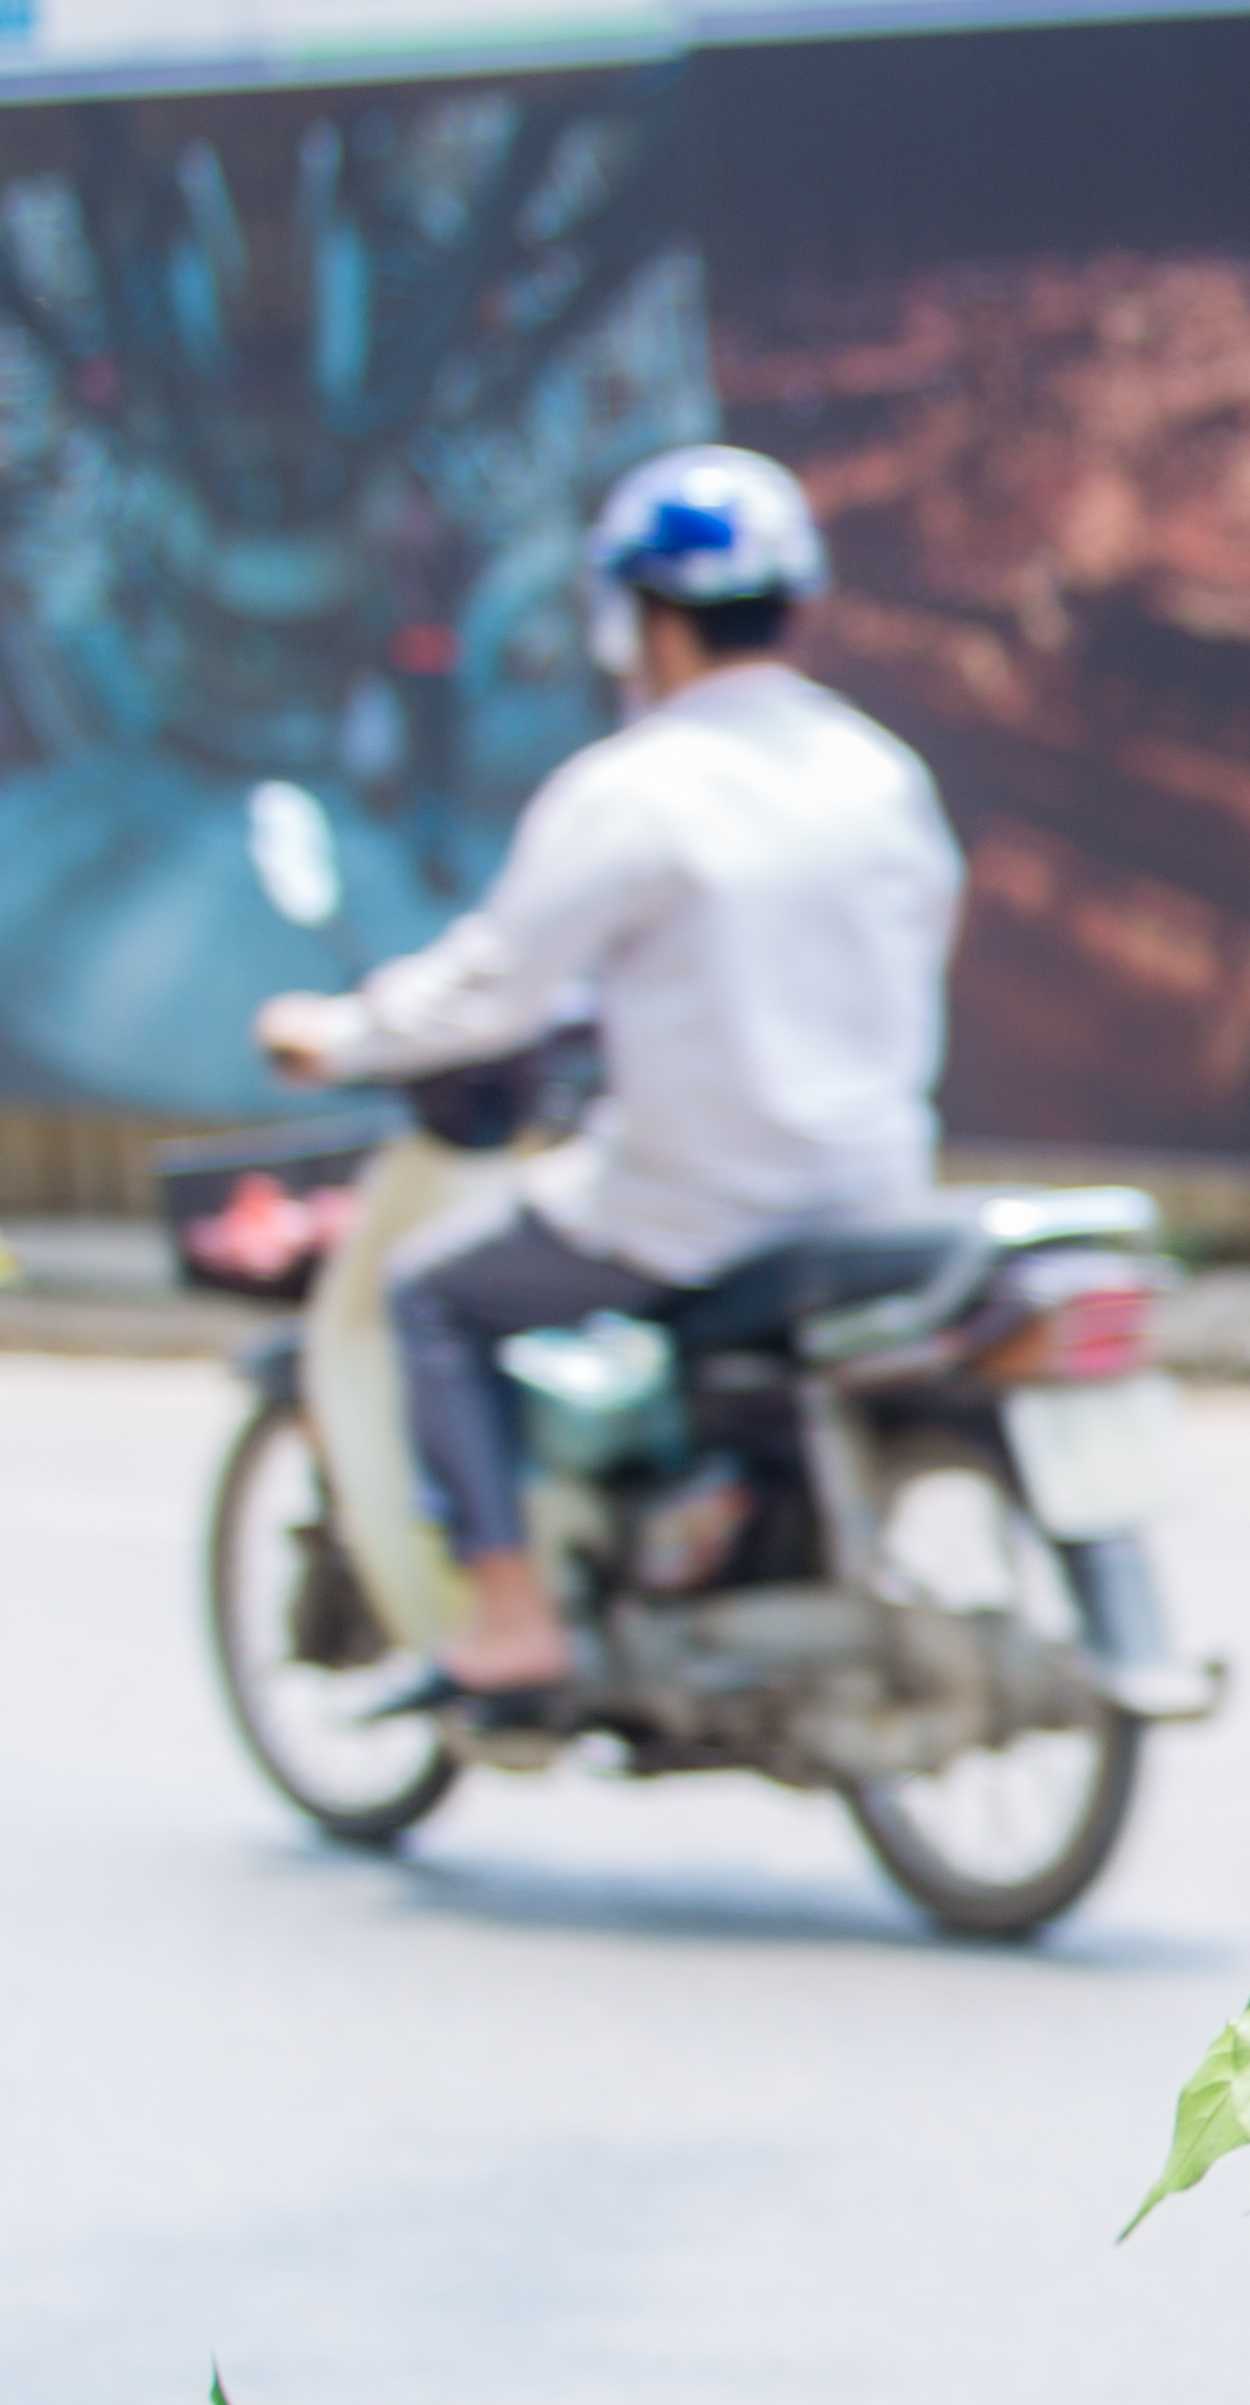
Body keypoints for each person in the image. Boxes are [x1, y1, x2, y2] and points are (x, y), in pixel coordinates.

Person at [257, 444, 961, 1694]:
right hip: (872, 1191)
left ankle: (513, 1614)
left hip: (699, 1205)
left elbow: (494, 984)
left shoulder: (634, 788)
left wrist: (342, 1035)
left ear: (638, 621)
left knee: (430, 1295)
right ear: (794, 606)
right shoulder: (880, 772)